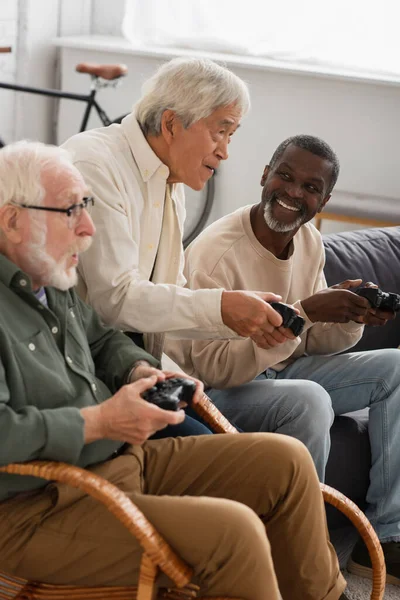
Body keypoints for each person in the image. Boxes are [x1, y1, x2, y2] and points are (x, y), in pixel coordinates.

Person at [0, 141, 349, 600]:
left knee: (286, 461)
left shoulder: (49, 273)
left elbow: (103, 338)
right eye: (70, 211)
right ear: (12, 220)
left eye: (86, 206)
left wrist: (140, 369)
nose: (88, 229)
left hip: (113, 462)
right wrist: (98, 422)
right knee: (232, 532)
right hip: (32, 507)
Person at [166, 134, 400, 585]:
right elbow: (214, 367)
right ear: (265, 175)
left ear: (324, 200)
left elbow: (308, 344)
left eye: (311, 187)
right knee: (308, 399)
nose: (294, 192)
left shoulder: (309, 241)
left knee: (395, 366)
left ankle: (386, 538)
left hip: (277, 371)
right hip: (212, 393)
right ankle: (302, 551)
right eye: (285, 176)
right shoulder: (216, 255)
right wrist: (306, 312)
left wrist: (352, 317)